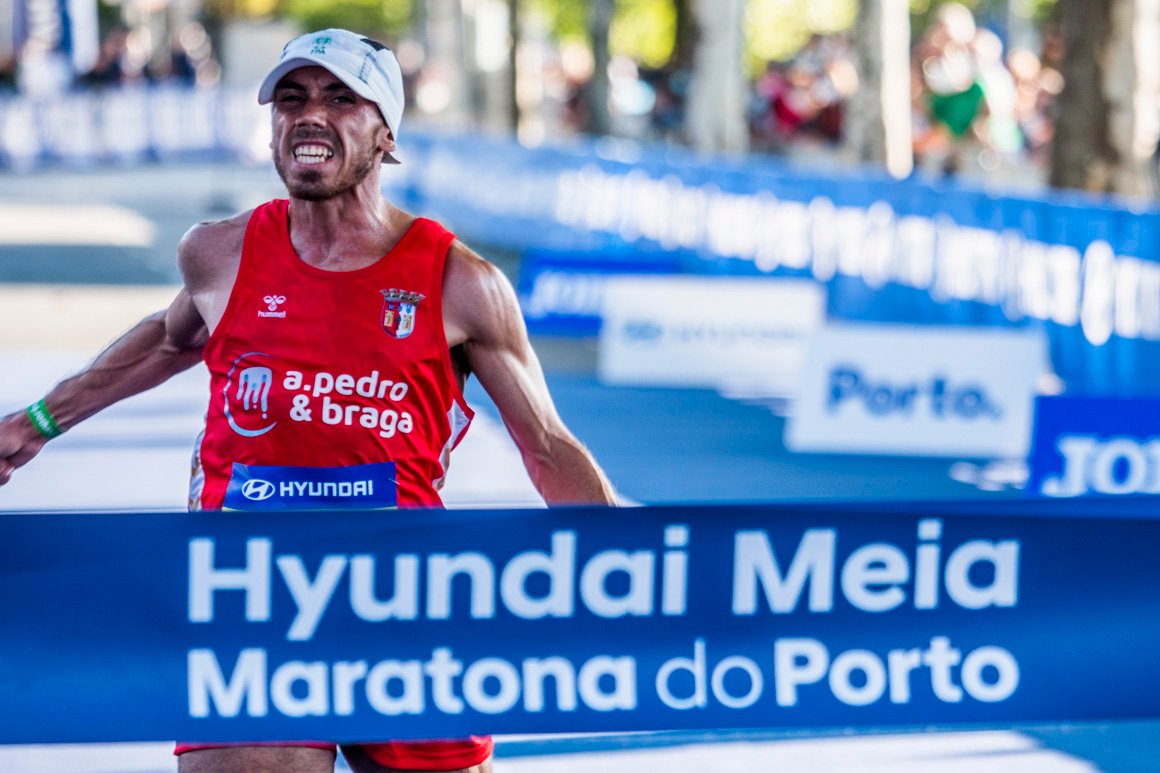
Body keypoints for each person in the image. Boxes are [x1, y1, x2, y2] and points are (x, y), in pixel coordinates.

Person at [0, 28, 618, 773]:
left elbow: (546, 445)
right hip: (252, 592)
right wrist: (37, 422)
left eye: (341, 99)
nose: (310, 115)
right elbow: (168, 339)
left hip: (404, 598)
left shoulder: (461, 282)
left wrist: (632, 572)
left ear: (386, 134)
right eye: (290, 100)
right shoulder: (220, 253)